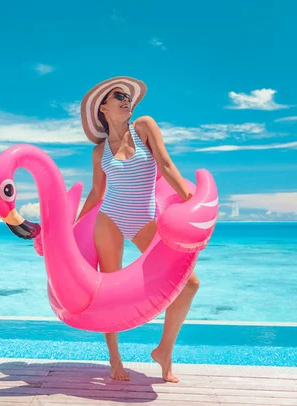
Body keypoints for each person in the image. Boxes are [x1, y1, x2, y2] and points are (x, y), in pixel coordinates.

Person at [76, 76, 200, 383]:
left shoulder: (144, 126)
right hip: (110, 219)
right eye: (118, 96)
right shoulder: (99, 151)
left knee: (189, 284)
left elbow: (167, 165)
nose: (126, 99)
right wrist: (74, 225)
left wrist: (189, 205)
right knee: (107, 292)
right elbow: (95, 193)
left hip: (144, 219)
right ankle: (114, 360)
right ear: (103, 108)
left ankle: (164, 351)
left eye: (127, 96)